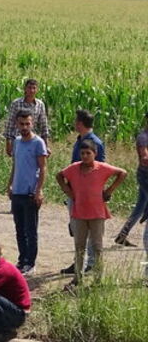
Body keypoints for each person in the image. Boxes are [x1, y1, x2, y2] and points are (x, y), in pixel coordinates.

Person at [57, 139, 127, 288]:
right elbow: (59, 175)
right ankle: (77, 278)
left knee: (97, 247)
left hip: (97, 213)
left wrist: (109, 190)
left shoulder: (101, 168)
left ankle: (98, 280)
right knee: (79, 246)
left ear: (95, 154)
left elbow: (122, 173)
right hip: (79, 213)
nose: (85, 156)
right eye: (82, 153)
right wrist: (68, 191)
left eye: (88, 153)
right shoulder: (74, 168)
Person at [61, 109, 106, 275]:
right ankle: (79, 263)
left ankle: (91, 264)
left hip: (86, 195)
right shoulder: (81, 140)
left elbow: (100, 169)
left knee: (90, 232)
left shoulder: (94, 143)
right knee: (77, 229)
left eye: (75, 121)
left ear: (80, 123)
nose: (74, 123)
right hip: (75, 191)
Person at [7, 112, 48, 275]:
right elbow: (15, 165)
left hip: (30, 193)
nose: (24, 127)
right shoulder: (16, 142)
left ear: (32, 124)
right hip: (17, 191)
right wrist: (10, 184)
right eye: (21, 124)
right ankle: (22, 259)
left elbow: (43, 168)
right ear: (17, 124)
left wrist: (38, 190)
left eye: (27, 124)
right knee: (19, 228)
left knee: (31, 230)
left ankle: (30, 263)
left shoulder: (38, 143)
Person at [115, 111, 148, 247]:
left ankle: (122, 235)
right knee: (141, 207)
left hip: (144, 175)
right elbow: (145, 159)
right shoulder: (143, 138)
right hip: (145, 176)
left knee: (139, 207)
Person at [3, 79, 50, 157]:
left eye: (34, 88)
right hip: (18, 139)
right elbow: (10, 123)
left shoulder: (40, 105)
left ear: (37, 90)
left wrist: (46, 145)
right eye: (29, 88)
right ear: (25, 89)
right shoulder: (16, 103)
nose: (31, 90)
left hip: (33, 139)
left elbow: (43, 125)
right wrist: (8, 142)